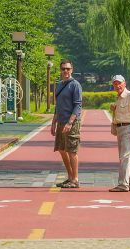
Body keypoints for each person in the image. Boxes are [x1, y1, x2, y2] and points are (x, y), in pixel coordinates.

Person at [51, 59, 83, 188]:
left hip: (71, 122)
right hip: (61, 121)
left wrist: (70, 122)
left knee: (72, 150)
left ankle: (75, 179)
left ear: (72, 70)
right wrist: (54, 122)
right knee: (62, 149)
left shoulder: (75, 85)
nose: (65, 71)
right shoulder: (59, 85)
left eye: (68, 69)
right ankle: (70, 177)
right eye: (63, 69)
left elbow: (77, 105)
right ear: (60, 70)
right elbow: (57, 106)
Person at [109, 75, 130, 192]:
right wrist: (113, 125)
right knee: (127, 158)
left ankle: (123, 184)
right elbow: (120, 115)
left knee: (125, 157)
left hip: (129, 128)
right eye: (115, 84)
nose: (117, 86)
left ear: (124, 83)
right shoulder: (119, 98)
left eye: (119, 83)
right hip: (120, 129)